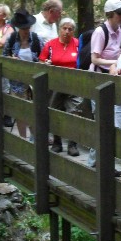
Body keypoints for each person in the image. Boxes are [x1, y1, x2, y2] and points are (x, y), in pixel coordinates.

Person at [86, 0, 121, 169]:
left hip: (113, 80)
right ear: (110, 14)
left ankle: (105, 164)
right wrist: (113, 62)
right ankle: (93, 164)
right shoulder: (100, 32)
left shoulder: (120, 31)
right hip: (99, 79)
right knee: (101, 122)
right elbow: (94, 58)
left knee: (111, 123)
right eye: (120, 13)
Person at [39, 17, 86, 157]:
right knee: (55, 112)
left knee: (75, 112)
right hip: (55, 84)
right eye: (64, 28)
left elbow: (83, 62)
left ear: (73, 31)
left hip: (74, 84)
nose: (67, 31)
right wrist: (45, 64)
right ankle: (57, 142)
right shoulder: (51, 45)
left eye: (70, 29)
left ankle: (72, 144)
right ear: (59, 29)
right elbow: (40, 61)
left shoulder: (78, 44)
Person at [3, 9, 42, 141]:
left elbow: (43, 57)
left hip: (33, 82)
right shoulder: (12, 39)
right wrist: (11, 60)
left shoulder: (36, 39)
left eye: (28, 27)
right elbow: (4, 58)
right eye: (23, 28)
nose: (26, 30)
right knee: (20, 113)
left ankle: (35, 139)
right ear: (18, 28)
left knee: (33, 112)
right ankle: (22, 140)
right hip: (16, 83)